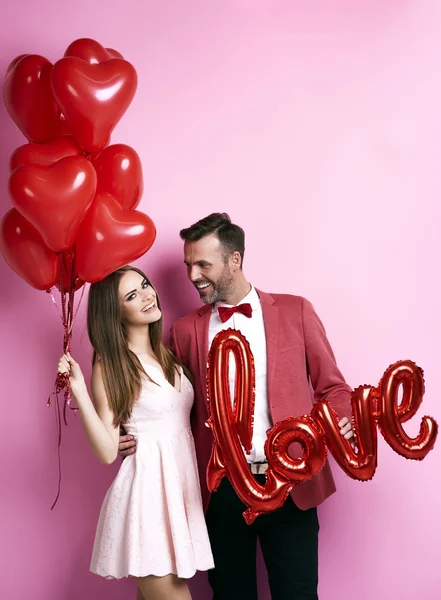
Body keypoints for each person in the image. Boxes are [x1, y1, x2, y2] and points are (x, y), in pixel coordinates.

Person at [119, 214, 354, 600]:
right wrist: (126, 428)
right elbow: (159, 397)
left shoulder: (296, 311)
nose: (193, 275)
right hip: (219, 491)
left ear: (235, 260)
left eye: (203, 265)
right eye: (188, 265)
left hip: (290, 482)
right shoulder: (183, 330)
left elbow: (334, 388)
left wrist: (340, 422)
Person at [57, 265, 214, 600]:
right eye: (131, 295)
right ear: (116, 312)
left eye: (144, 285)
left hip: (178, 499)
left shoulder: (167, 353)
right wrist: (81, 390)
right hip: (146, 504)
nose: (147, 295)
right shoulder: (112, 365)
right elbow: (107, 451)